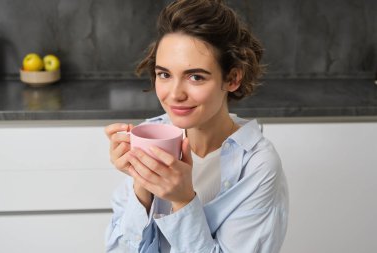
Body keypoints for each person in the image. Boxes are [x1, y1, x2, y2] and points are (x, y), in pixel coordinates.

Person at [104, 0, 288, 252]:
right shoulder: (151, 134)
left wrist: (182, 200)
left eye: (195, 77)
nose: (175, 94)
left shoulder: (257, 166)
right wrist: (142, 185)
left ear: (232, 78)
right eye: (164, 74)